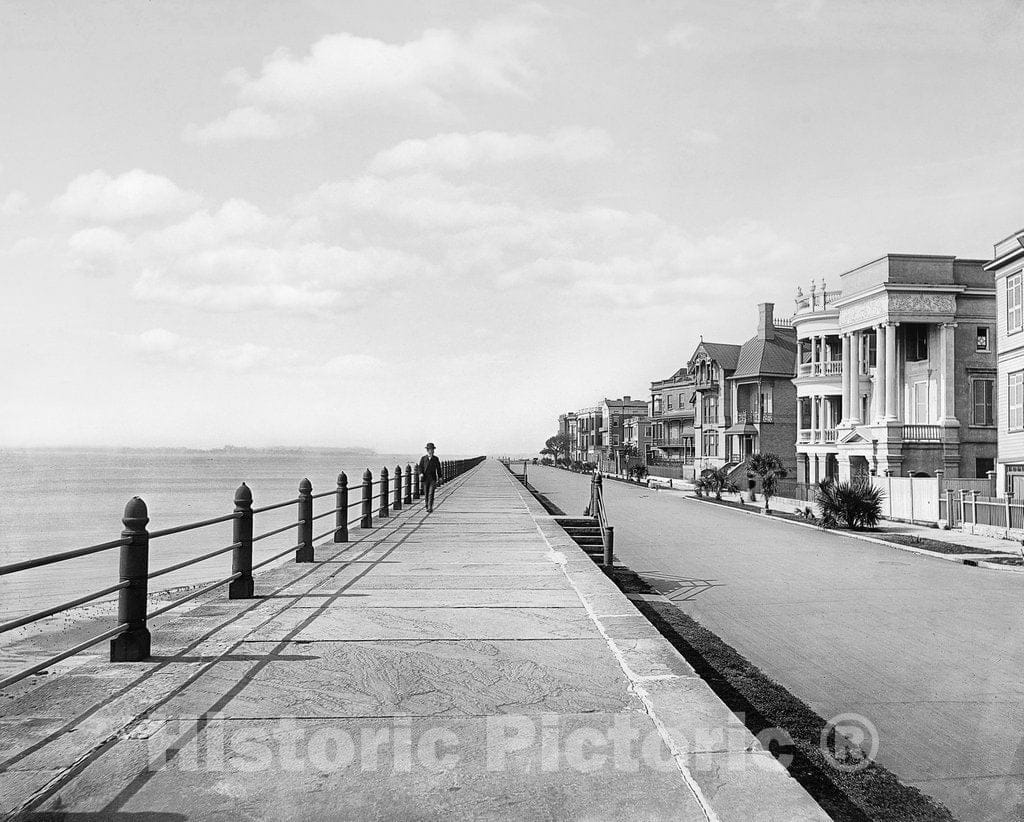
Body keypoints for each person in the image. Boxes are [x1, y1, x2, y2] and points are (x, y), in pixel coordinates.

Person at [419, 442, 442, 513]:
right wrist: (421, 473)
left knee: (431, 493)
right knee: (426, 493)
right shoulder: (423, 458)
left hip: (433, 479)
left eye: (432, 449)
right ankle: (426, 505)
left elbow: (438, 468)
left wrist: (440, 477)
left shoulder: (436, 459)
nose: (431, 451)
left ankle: (430, 507)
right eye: (430, 449)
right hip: (425, 478)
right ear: (427, 450)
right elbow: (420, 467)